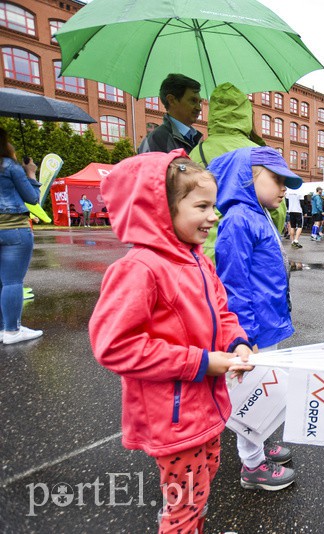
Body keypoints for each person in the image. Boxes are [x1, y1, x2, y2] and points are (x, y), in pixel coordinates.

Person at [88, 152, 254, 533]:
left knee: (203, 482)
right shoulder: (139, 269)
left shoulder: (198, 260)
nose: (215, 215)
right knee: (185, 505)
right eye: (202, 206)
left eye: (214, 205)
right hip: (175, 416)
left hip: (205, 407)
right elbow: (114, 346)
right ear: (160, 208)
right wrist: (200, 363)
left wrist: (237, 343)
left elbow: (223, 313)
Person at [208, 146, 300, 492]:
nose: (283, 188)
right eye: (276, 179)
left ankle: (262, 441)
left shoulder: (258, 213)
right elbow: (234, 283)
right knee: (252, 394)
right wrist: (244, 336)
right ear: (248, 176)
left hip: (267, 321)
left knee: (268, 388)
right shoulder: (238, 219)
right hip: (254, 329)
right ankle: (252, 465)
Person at [188, 82, 287, 261]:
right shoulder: (258, 152)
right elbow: (277, 210)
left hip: (206, 247)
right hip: (251, 248)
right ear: (246, 114)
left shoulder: (197, 151)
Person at [0, 128, 42, 344]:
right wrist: (31, 172)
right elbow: (32, 198)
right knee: (12, 281)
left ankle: (2, 328)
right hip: (14, 228)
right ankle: (12, 330)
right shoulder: (10, 167)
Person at [138, 74, 203, 154]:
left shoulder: (195, 138)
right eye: (193, 101)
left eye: (199, 102)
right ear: (172, 100)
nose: (199, 108)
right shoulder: (157, 140)